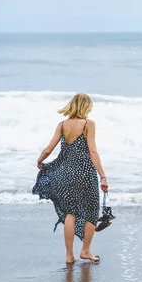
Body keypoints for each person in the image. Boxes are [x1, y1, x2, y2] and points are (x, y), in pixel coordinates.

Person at [33, 93, 109, 264]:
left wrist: (40, 160)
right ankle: (86, 251)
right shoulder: (88, 124)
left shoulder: (62, 125)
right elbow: (93, 151)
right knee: (90, 211)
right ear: (85, 106)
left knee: (70, 213)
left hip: (66, 173)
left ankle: (69, 255)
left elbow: (48, 149)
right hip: (85, 173)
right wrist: (103, 176)